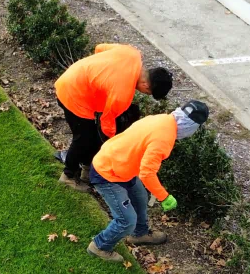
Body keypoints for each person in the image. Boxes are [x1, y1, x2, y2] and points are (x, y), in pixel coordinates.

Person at [86, 100, 209, 262]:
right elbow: (147, 173)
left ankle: (140, 234)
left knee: (140, 198)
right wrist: (164, 196)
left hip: (121, 165)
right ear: (191, 126)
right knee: (126, 220)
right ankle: (99, 246)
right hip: (107, 173)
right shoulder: (164, 138)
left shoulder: (162, 119)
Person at [54, 44, 173, 192]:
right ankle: (68, 176)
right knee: (83, 138)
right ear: (146, 85)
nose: (142, 94)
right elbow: (106, 124)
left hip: (73, 75)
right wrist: (113, 144)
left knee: (90, 135)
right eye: (147, 93)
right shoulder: (123, 94)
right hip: (74, 94)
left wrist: (100, 76)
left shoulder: (132, 53)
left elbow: (99, 48)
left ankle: (87, 170)